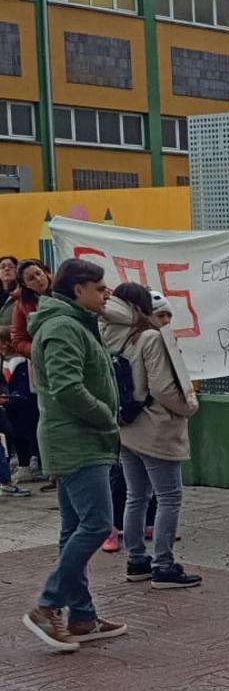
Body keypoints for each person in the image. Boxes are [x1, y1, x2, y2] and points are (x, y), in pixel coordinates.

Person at [22, 259, 126, 651]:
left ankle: (82, 617)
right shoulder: (63, 326)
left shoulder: (75, 322)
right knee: (97, 525)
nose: (106, 294)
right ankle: (47, 606)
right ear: (78, 289)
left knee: (73, 529)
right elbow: (67, 387)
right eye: (99, 288)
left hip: (77, 438)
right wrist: (105, 417)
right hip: (78, 441)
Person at [102, 283, 202, 589]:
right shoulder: (149, 337)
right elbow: (162, 388)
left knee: (136, 495)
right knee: (169, 496)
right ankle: (163, 565)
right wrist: (189, 407)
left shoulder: (107, 333)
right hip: (155, 427)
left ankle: (136, 560)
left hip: (126, 425)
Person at [6, 259, 50, 478]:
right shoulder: (22, 304)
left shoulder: (66, 293)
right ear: (24, 285)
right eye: (31, 278)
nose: (38, 279)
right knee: (45, 415)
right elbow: (18, 339)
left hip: (74, 360)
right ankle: (48, 465)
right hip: (42, 367)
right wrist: (39, 351)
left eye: (39, 273)